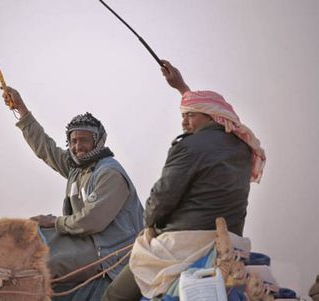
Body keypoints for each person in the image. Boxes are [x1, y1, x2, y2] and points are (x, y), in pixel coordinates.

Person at [102, 60, 266, 301]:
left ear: (211, 116)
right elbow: (206, 108)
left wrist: (149, 224)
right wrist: (181, 87)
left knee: (114, 295)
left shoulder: (189, 146)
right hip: (230, 241)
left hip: (185, 242)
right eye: (183, 115)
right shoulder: (243, 148)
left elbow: (162, 198)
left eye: (189, 116)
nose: (183, 122)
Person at [2, 87, 144, 301]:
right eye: (74, 141)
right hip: (89, 246)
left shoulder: (110, 173)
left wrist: (55, 222)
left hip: (116, 255)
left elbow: (92, 221)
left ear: (97, 141)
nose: (78, 147)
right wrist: (21, 110)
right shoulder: (77, 169)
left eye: (84, 140)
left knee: (46, 263)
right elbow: (46, 149)